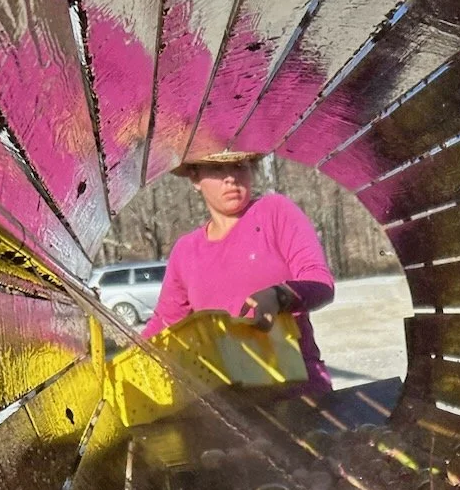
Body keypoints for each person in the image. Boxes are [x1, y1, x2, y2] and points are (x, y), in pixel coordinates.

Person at [144, 154, 335, 393]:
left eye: (238, 166)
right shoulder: (185, 251)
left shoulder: (274, 212)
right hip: (227, 401)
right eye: (216, 169)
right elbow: (164, 323)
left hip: (298, 390)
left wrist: (280, 295)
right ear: (195, 176)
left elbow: (319, 280)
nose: (231, 178)